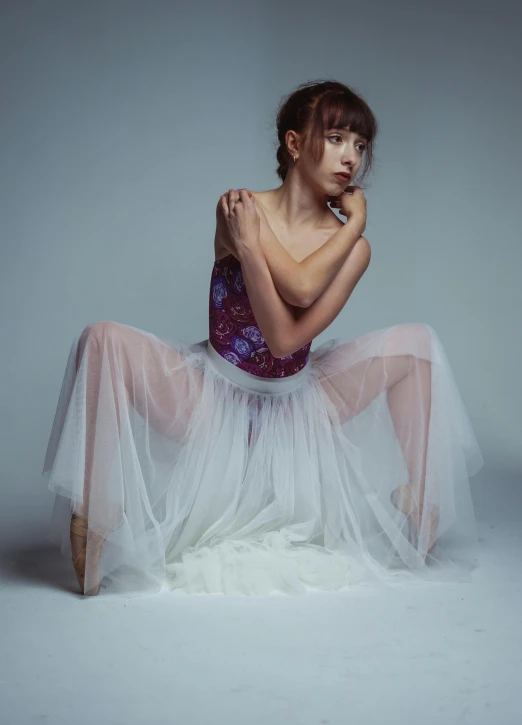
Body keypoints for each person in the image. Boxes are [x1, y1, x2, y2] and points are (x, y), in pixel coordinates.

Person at [42, 79, 484, 597]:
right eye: (338, 137)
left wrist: (348, 227)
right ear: (295, 144)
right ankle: (95, 515)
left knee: (418, 345)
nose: (351, 158)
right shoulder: (240, 208)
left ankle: (420, 505)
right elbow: (296, 285)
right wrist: (255, 244)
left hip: (299, 403)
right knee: (101, 339)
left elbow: (284, 337)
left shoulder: (353, 247)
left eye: (360, 146)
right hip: (212, 399)